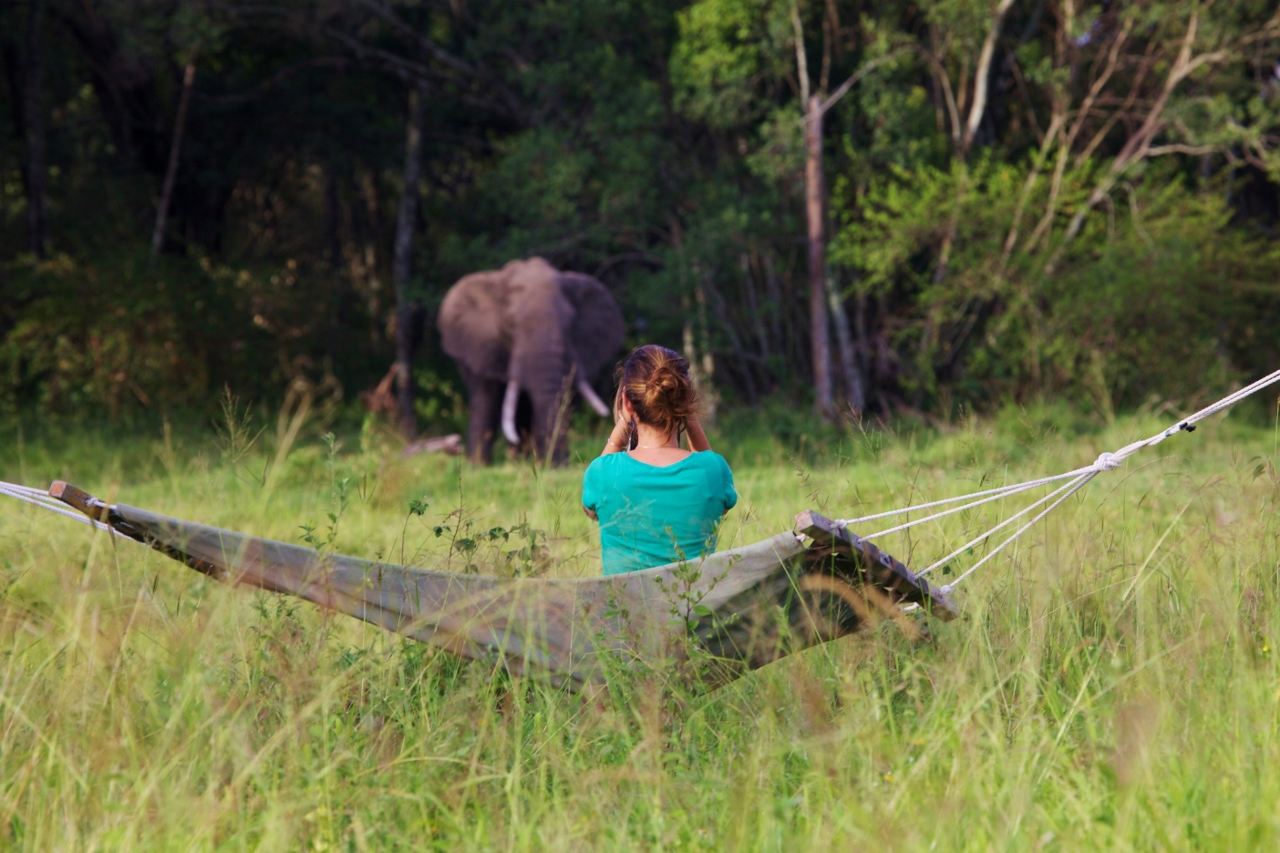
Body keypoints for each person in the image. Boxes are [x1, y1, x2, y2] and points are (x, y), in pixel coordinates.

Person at [582, 345, 737, 575]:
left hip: (626, 610)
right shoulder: (713, 470)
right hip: (693, 609)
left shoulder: (602, 472)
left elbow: (591, 510)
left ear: (627, 402)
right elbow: (711, 473)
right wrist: (691, 418)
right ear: (686, 400)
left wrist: (622, 426)